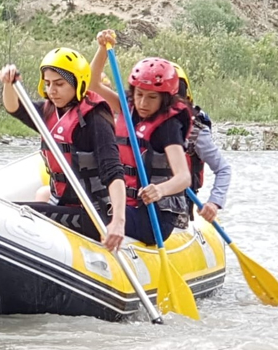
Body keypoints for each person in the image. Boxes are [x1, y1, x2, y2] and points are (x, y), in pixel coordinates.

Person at [0, 47, 127, 252]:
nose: (52, 91)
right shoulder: (49, 111)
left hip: (93, 213)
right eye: (48, 84)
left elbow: (114, 173)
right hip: (61, 204)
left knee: (12, 213)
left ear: (78, 83)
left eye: (59, 84)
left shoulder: (95, 119)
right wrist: (8, 84)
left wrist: (118, 222)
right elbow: (14, 108)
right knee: (6, 210)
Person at [89, 29, 193, 245]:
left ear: (164, 99)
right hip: (125, 204)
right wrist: (102, 49)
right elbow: (92, 84)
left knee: (91, 217)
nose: (143, 103)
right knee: (85, 209)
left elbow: (184, 177)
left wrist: (160, 190)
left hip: (155, 217)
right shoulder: (127, 107)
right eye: (139, 95)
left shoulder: (168, 127)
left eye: (152, 97)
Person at [171, 63, 232, 222]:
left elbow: (223, 169)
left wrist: (214, 202)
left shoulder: (196, 133)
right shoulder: (139, 124)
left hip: (179, 211)